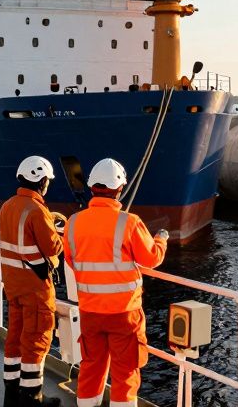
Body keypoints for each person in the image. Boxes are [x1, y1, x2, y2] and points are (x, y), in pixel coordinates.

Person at [67, 158, 168, 407]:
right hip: (124, 314)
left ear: (91, 187)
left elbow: (71, 259)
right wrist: (161, 240)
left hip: (90, 311)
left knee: (91, 366)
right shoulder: (129, 222)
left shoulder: (73, 222)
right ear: (120, 189)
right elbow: (151, 258)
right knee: (125, 372)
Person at [0, 156, 66, 407]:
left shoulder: (7, 206)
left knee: (15, 336)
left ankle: (11, 390)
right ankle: (31, 395)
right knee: (36, 338)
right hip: (34, 287)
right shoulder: (37, 211)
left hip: (13, 285)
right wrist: (61, 231)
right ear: (41, 181)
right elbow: (53, 247)